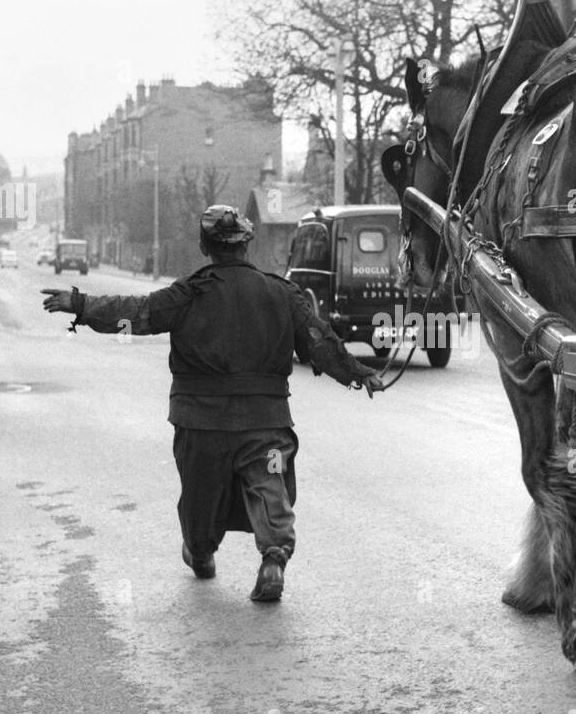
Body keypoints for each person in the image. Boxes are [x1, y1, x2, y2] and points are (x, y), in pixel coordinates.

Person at [41, 204, 384, 601]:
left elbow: (135, 314)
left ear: (205, 246)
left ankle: (201, 554)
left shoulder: (188, 293)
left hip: (201, 426)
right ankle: (273, 559)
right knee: (271, 485)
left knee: (200, 498)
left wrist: (80, 305)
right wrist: (360, 373)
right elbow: (320, 342)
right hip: (266, 425)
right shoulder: (282, 293)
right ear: (246, 245)